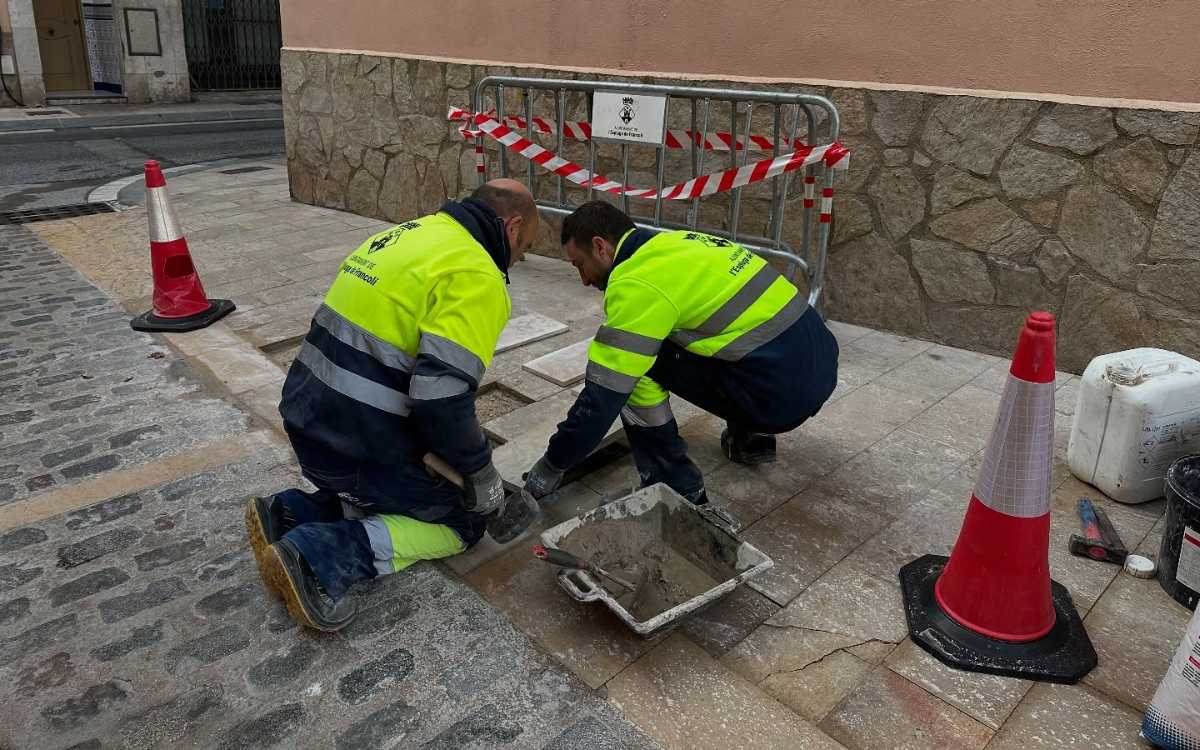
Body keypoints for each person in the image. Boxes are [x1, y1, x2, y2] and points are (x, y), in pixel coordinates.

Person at [245, 179, 539, 631]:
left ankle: (288, 512)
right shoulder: (477, 273)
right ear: (513, 226)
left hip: (308, 421)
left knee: (414, 489)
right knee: (462, 525)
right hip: (354, 448)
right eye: (525, 248)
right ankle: (317, 558)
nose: (518, 260)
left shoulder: (407, 235)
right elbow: (441, 400)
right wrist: (479, 473)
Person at [523, 200, 838, 506]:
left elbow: (601, 398)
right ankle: (749, 441)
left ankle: (676, 485)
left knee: (637, 369)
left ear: (600, 246)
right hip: (820, 362)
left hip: (783, 397)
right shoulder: (680, 241)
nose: (584, 279)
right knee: (707, 330)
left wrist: (552, 464)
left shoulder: (637, 282)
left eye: (580, 265)